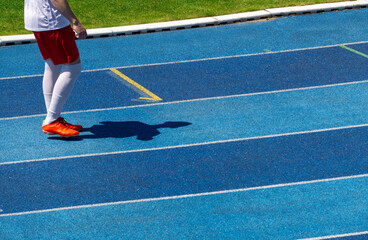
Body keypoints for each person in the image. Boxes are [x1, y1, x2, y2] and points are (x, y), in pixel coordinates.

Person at [24, 0, 87, 137]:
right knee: (73, 67)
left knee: (52, 65)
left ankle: (53, 118)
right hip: (52, 21)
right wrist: (75, 22)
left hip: (37, 19)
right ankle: (51, 119)